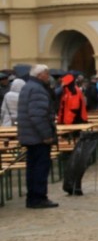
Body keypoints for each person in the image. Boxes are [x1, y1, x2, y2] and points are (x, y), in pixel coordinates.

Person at [16, 64, 59, 209]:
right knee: (40, 167)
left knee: (32, 168)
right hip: (37, 136)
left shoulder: (28, 87)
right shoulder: (37, 89)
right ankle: (39, 197)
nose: (48, 76)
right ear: (40, 75)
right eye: (47, 74)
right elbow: (37, 115)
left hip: (30, 135)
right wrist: (46, 135)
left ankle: (33, 197)